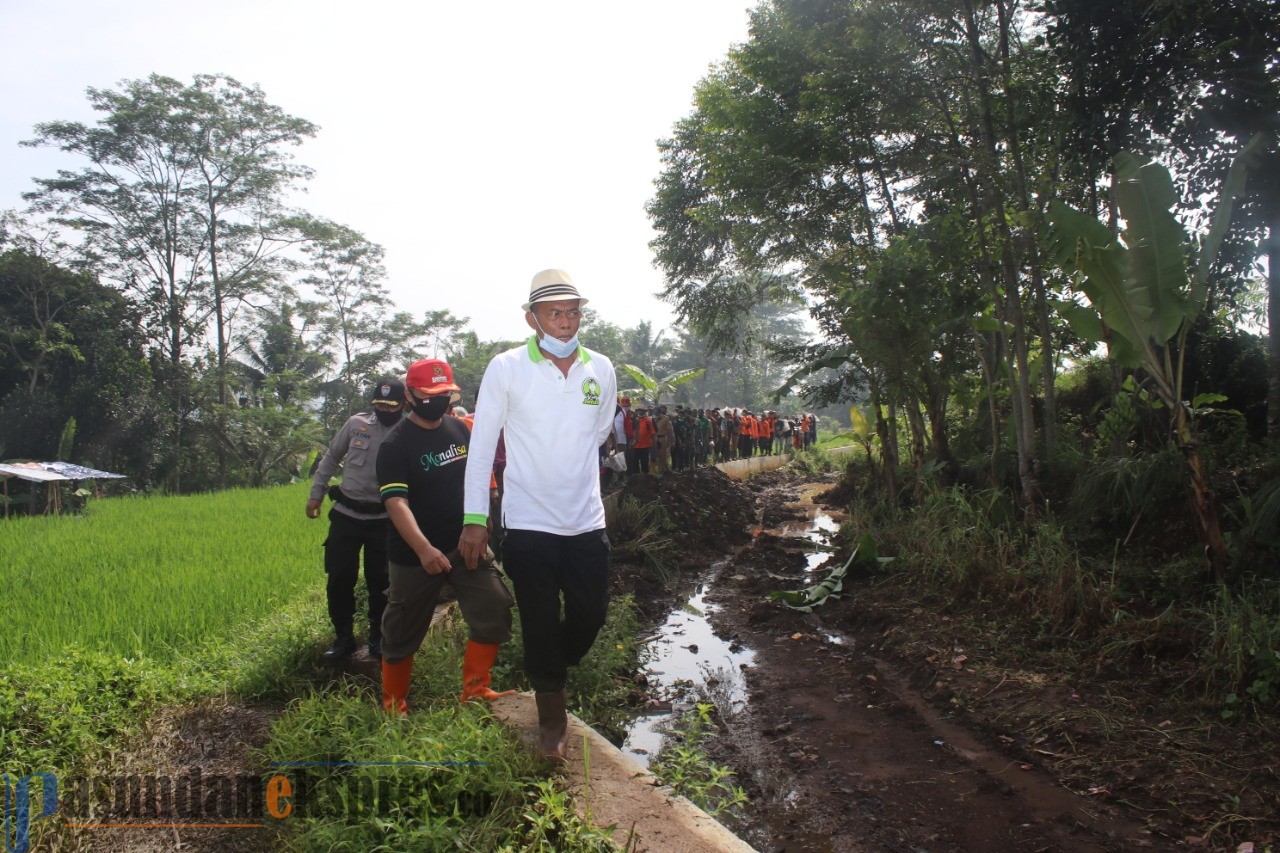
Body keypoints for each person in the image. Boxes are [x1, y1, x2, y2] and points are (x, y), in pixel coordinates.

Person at [459, 269, 618, 764]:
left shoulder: (601, 368)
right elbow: (482, 446)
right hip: (529, 525)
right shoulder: (506, 368)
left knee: (591, 614)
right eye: (555, 312)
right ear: (532, 318)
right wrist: (475, 518)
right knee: (541, 620)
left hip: (586, 521)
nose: (567, 321)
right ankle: (552, 718)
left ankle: (550, 668)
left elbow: (597, 433)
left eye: (573, 311)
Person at [376, 358, 515, 715]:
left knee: (494, 604)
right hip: (415, 553)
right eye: (428, 394)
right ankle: (394, 703)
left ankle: (475, 689)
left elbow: (479, 479)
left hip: (465, 544)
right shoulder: (395, 445)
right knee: (402, 627)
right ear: (409, 395)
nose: (437, 400)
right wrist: (424, 550)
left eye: (444, 394)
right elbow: (396, 502)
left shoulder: (460, 431)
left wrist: (481, 522)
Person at [307, 378, 403, 661]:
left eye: (391, 405)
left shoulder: (408, 431)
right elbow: (330, 458)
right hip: (347, 516)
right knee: (339, 577)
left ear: (403, 405)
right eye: (380, 405)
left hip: (384, 520)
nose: (385, 410)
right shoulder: (356, 424)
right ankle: (343, 638)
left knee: (381, 582)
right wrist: (316, 494)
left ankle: (377, 637)